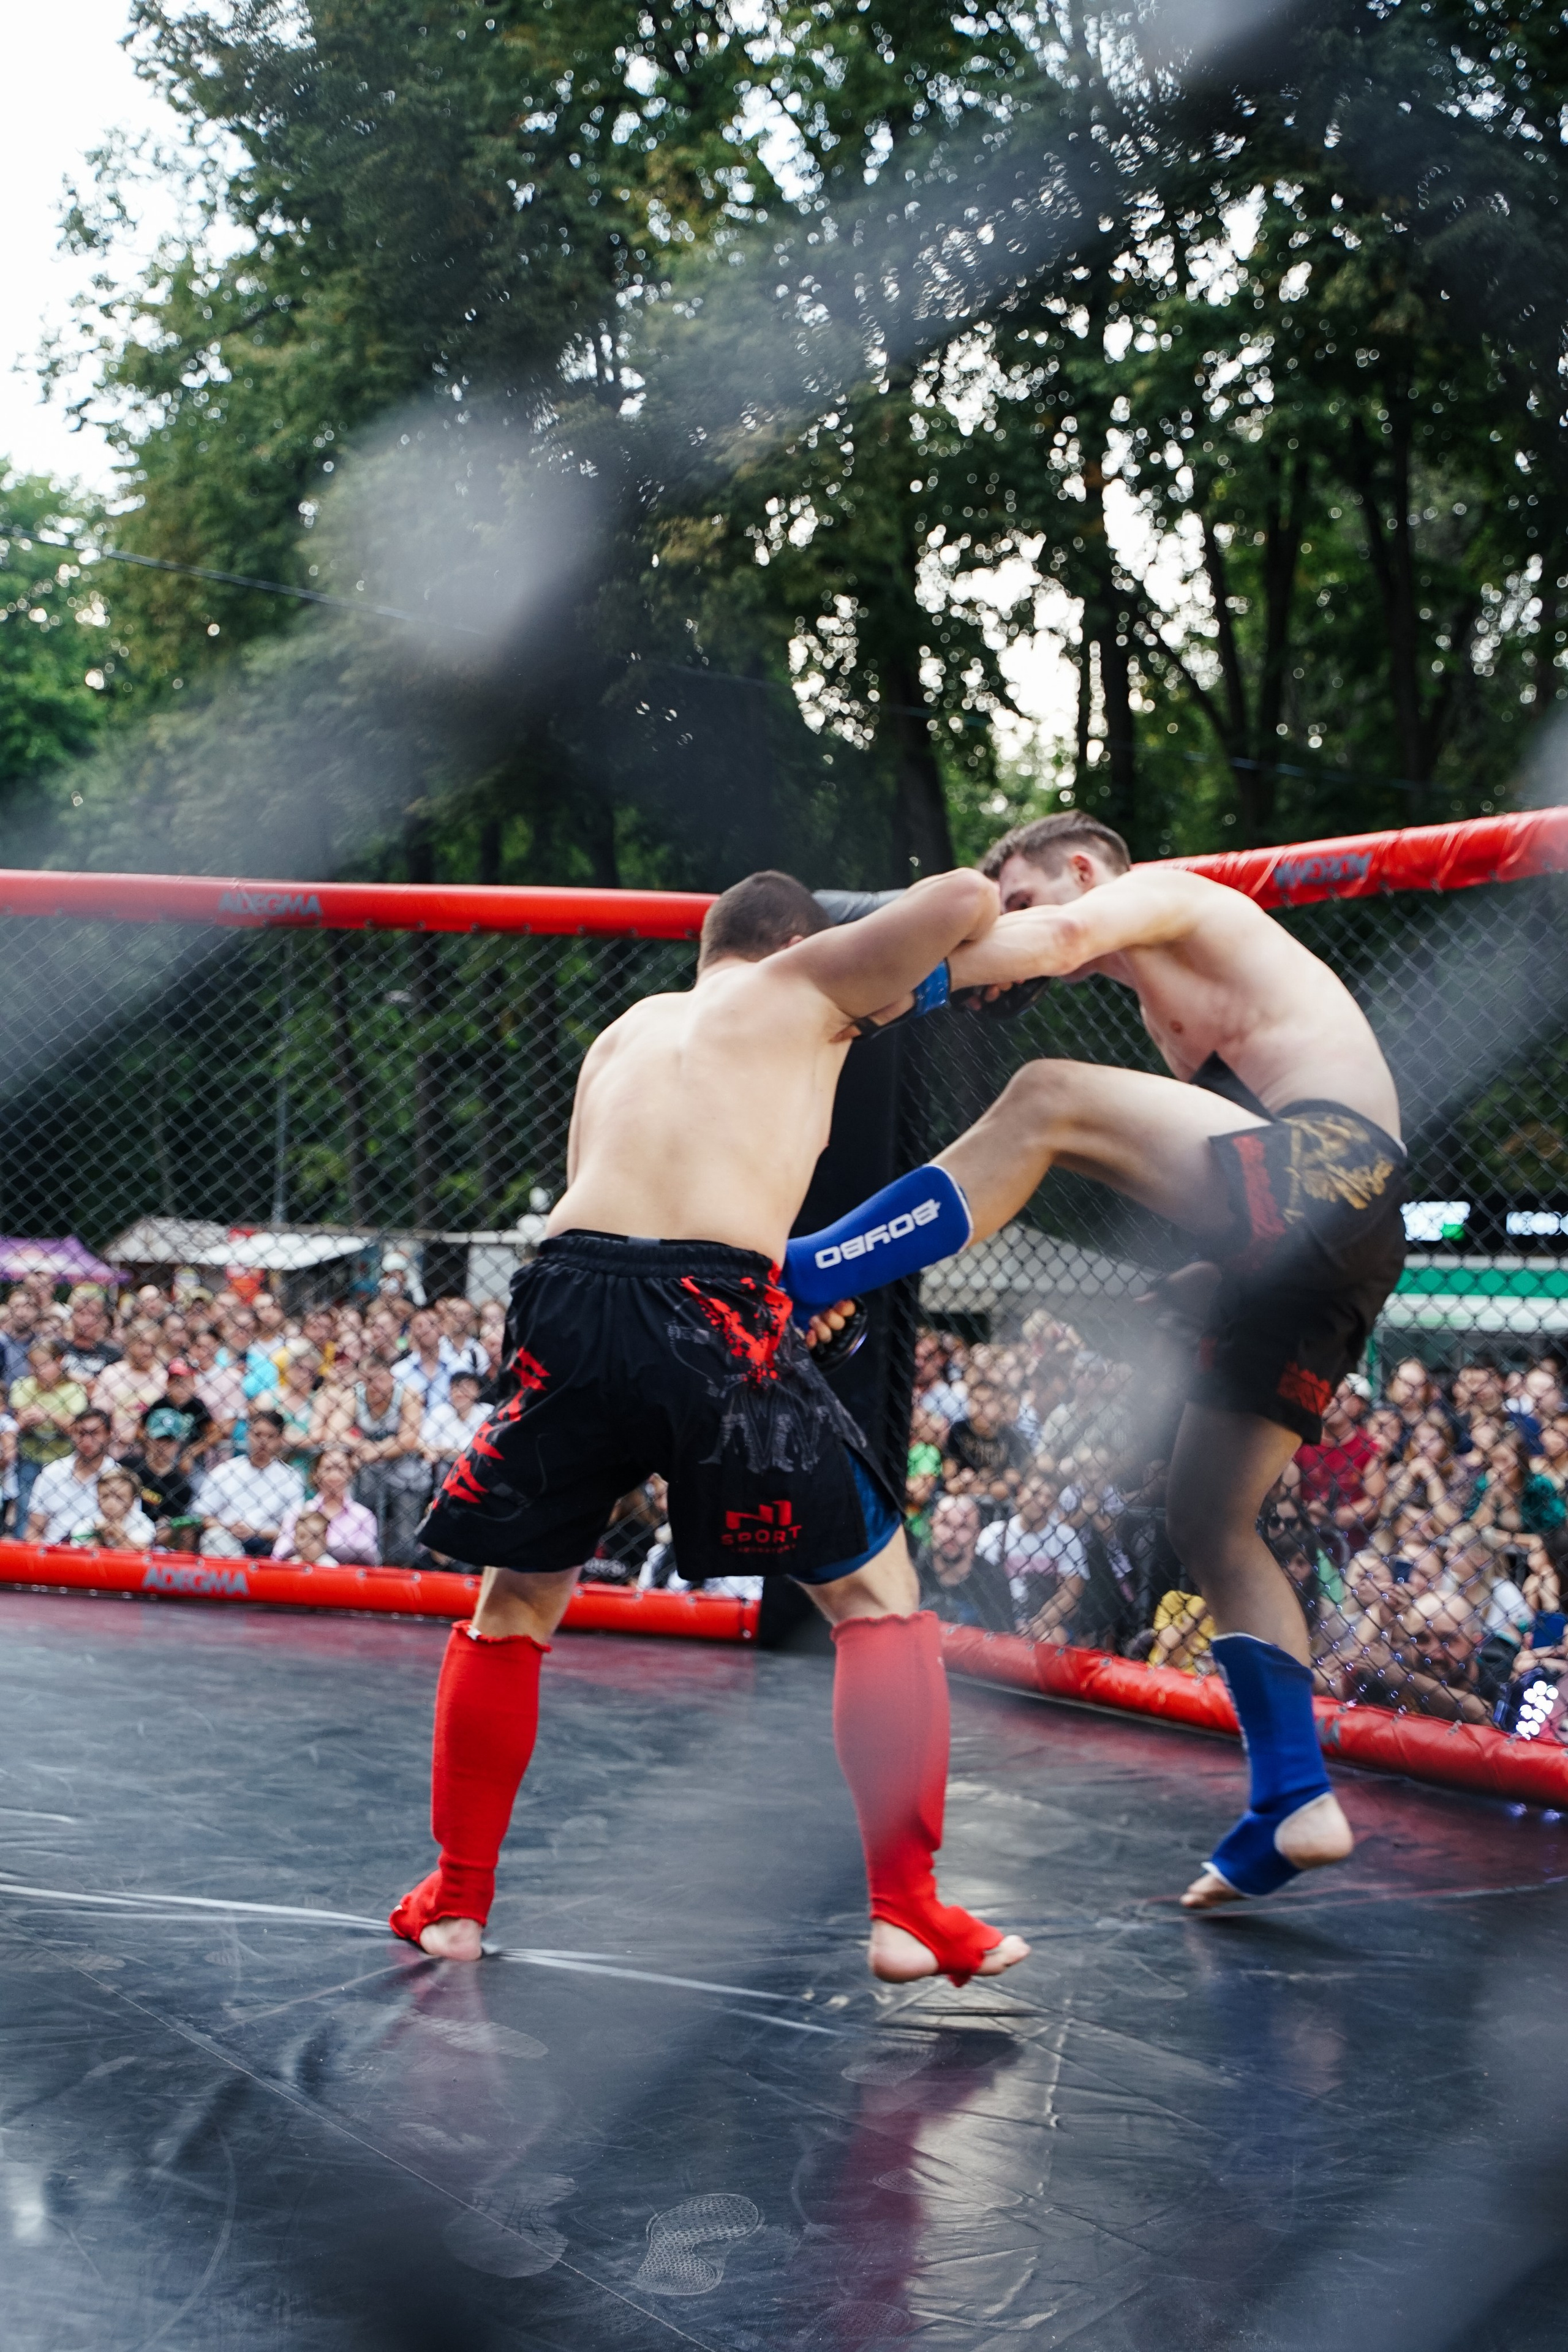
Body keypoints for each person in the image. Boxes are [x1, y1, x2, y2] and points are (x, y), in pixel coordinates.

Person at [396, 865, 1029, 1986]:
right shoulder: (803, 986)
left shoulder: (629, 1029)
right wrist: (938, 967)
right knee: (877, 1600)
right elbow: (963, 895)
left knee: (518, 1600)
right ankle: (906, 1911)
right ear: (794, 943)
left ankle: (456, 1900)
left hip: (564, 1293)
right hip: (705, 1306)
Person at [786, 811, 1407, 1909]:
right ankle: (1295, 1799)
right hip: (1324, 1245)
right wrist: (1214, 1275)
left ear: (1079, 870)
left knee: (1046, 1095)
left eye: (1017, 894)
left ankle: (812, 1270)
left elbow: (1059, 941)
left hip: (1335, 1171)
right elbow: (1240, 1165)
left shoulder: (1169, 897)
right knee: (1208, 1519)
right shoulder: (1178, 1007)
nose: (1009, 923)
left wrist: (880, 976)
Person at [351, 1355, 429, 1565]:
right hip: (369, 1470)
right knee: (363, 1524)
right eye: (368, 1380)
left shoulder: (408, 1394)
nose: (374, 1386)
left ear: (391, 1378)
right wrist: (361, 1446)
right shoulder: (355, 1394)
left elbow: (409, 1439)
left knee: (404, 1540)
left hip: (407, 1472)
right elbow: (334, 1430)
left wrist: (376, 1450)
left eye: (379, 1379)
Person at [194, 1410, 305, 1558]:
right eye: (258, 1435)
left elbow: (294, 1528)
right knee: (214, 1538)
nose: (263, 1442)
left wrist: (257, 1532)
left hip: (270, 1543)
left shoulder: (291, 1477)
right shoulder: (226, 1470)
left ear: (280, 1439)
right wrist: (228, 1527)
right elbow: (203, 1516)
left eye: (270, 1436)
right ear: (247, 1435)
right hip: (229, 1537)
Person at [9, 1338, 90, 1532]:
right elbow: (15, 1426)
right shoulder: (23, 1385)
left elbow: (75, 1428)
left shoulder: (75, 1389)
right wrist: (25, 1422)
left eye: (44, 1364)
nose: (38, 1371)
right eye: (33, 1365)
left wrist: (49, 1416)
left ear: (59, 1361)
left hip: (63, 1460)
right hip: (30, 1456)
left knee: (60, 1508)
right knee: (26, 1508)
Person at [914, 1492, 1016, 1631]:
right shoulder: (914, 1570)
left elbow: (1003, 1641)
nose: (951, 1535)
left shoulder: (993, 1582)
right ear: (932, 1525)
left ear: (977, 1534)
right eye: (945, 1523)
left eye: (963, 1527)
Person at [271, 1446, 379, 1566]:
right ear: (316, 1474)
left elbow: (368, 1562)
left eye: (341, 1469)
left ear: (351, 1474)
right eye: (328, 1469)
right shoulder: (298, 1513)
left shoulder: (364, 1517)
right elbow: (279, 1555)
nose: (334, 1475)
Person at [26, 1408, 116, 1544]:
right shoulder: (52, 1472)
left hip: (99, 1556)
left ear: (109, 1435)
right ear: (72, 1434)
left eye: (95, 1433)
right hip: (51, 1553)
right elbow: (33, 1531)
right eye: (81, 1433)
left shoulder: (119, 1478)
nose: (86, 1441)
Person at [121, 1404, 203, 1547]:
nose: (163, 1446)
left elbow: (168, 1527)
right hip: (121, 1526)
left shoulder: (181, 1486)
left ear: (178, 1444)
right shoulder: (127, 1466)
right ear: (147, 1438)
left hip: (153, 1541)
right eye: (158, 1439)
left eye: (169, 1441)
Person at [91, 1320, 168, 1452]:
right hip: (113, 1447)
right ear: (129, 1344)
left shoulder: (164, 1377)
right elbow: (99, 1414)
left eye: (153, 1345)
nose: (147, 1351)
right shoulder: (112, 1373)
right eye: (142, 1344)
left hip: (152, 1450)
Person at [69, 1464, 154, 1553]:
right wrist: (99, 1537)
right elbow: (80, 1555)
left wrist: (117, 1533)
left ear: (132, 1501)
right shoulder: (88, 1523)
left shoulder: (141, 1522)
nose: (111, 1503)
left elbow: (142, 1554)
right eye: (105, 1496)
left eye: (119, 1497)